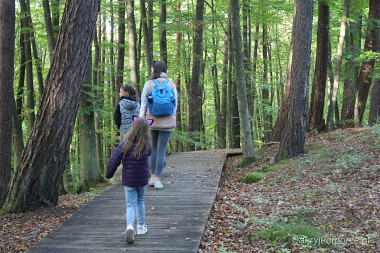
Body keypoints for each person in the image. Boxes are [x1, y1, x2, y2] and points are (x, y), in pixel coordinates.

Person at [106, 118, 152, 243]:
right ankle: (141, 227)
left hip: (129, 180)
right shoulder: (147, 144)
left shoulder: (125, 143)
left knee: (130, 204)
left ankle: (130, 226)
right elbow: (149, 154)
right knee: (140, 201)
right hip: (142, 179)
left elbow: (114, 160)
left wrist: (109, 174)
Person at [139, 61, 178, 189]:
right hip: (167, 123)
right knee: (161, 150)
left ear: (154, 70)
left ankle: (151, 177)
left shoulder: (148, 84)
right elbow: (175, 104)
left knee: (152, 150)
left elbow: (143, 105)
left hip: (151, 122)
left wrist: (141, 122)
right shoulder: (171, 84)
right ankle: (157, 179)